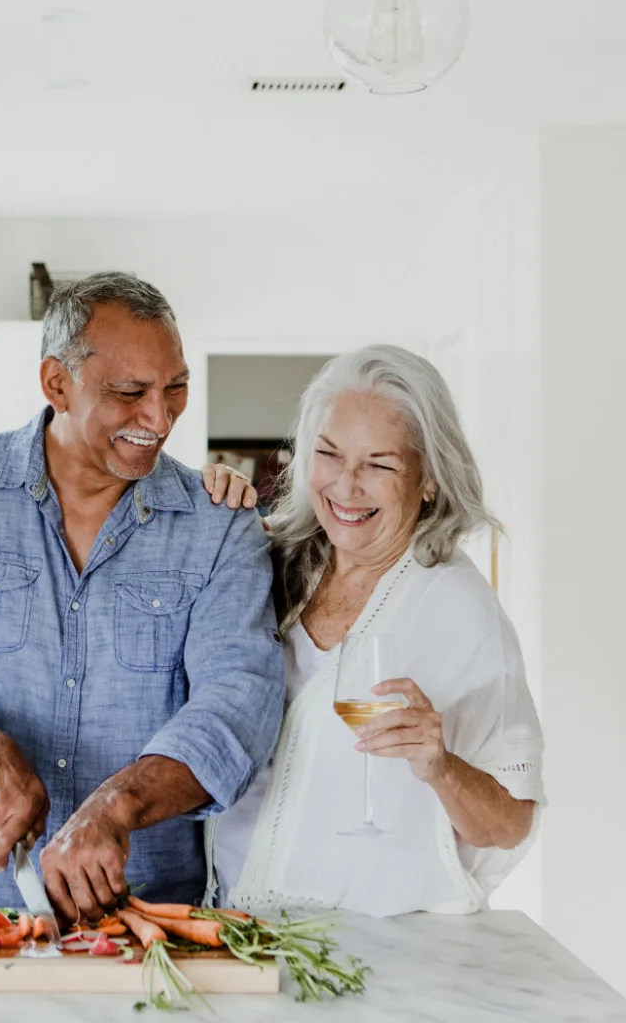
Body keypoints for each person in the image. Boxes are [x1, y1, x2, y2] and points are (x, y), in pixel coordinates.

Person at [0, 272, 284, 923]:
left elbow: (237, 707)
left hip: (151, 917)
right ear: (56, 384)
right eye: (129, 393)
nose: (160, 418)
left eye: (176, 389)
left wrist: (117, 805)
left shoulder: (219, 522)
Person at [199, 345, 544, 916]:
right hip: (232, 926)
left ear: (428, 478)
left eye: (379, 465)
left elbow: (508, 825)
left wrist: (441, 766)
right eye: (329, 454)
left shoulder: (458, 610)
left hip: (371, 951)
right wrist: (205, 502)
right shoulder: (271, 562)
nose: (345, 486)